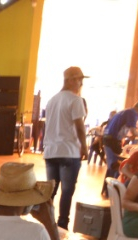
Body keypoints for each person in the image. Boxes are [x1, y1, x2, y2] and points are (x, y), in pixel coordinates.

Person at [42, 67, 89, 229]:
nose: (80, 83)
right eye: (77, 79)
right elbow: (80, 126)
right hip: (69, 151)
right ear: (69, 80)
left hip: (51, 151)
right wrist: (84, 146)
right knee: (67, 191)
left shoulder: (52, 100)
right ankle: (62, 224)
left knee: (51, 191)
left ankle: (47, 221)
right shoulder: (75, 100)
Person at [103, 100, 138, 190]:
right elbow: (133, 130)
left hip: (108, 138)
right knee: (117, 166)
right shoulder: (132, 113)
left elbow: (128, 131)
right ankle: (115, 191)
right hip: (112, 140)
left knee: (113, 165)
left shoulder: (126, 111)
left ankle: (108, 190)